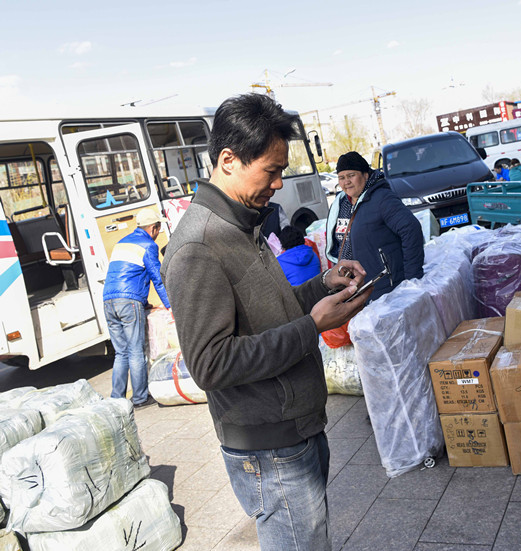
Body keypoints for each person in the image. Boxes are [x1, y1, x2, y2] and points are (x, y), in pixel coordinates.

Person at [161, 93, 370, 551]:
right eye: (271, 171)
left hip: (296, 430)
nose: (278, 184)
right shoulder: (199, 245)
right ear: (229, 160)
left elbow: (269, 312)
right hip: (270, 449)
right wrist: (312, 326)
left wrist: (322, 286)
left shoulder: (243, 224)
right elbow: (210, 363)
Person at [325, 151, 424, 303]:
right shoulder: (342, 204)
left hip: (388, 289)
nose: (346, 182)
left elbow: (411, 229)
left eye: (351, 175)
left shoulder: (382, 198)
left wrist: (412, 278)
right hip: (359, 289)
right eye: (341, 178)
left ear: (365, 175)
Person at [103, 208, 170, 408]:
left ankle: (116, 399)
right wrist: (170, 305)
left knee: (121, 353)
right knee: (135, 351)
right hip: (128, 302)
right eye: (158, 227)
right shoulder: (148, 245)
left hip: (108, 300)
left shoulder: (121, 243)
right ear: (153, 228)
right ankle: (140, 398)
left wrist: (144, 302)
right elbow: (158, 279)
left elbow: (128, 274)